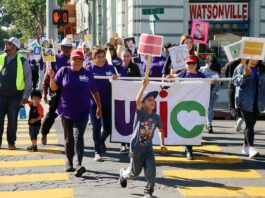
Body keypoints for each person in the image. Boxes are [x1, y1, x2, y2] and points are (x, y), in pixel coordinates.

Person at [49, 49, 102, 177]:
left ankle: (79, 164)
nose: (77, 62)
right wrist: (51, 77)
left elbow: (94, 91)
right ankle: (69, 161)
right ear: (70, 60)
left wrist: (99, 106)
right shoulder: (63, 71)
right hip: (66, 110)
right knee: (69, 139)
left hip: (83, 111)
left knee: (79, 137)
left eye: (80, 60)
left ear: (83, 61)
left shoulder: (88, 74)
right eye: (74, 59)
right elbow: (54, 87)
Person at [119, 78, 167, 198]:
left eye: (153, 100)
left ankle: (148, 192)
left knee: (151, 170)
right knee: (134, 173)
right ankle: (123, 174)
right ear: (144, 103)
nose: (152, 102)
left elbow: (161, 130)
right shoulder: (141, 113)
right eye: (149, 100)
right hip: (136, 149)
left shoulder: (156, 117)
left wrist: (162, 144)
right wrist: (143, 87)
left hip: (148, 149)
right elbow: (137, 100)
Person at [167, 55, 205, 160]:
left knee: (191, 126)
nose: (191, 65)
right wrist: (170, 78)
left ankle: (189, 147)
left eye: (193, 63)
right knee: (184, 126)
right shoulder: (182, 74)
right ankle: (187, 147)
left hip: (196, 106)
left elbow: (209, 86)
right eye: (189, 63)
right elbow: (172, 83)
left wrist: (213, 82)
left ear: (197, 64)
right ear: (185, 64)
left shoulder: (202, 76)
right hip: (182, 105)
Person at [0, 37, 32, 150]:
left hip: (15, 97)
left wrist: (25, 97)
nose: (6, 45)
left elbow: (28, 81)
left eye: (8, 44)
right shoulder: (0, 58)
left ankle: (11, 142)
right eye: (6, 43)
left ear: (14, 47)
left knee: (12, 120)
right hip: (1, 96)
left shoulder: (23, 61)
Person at [88, 47, 117, 161]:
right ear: (94, 59)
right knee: (96, 127)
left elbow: (118, 82)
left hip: (107, 103)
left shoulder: (111, 68)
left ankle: (100, 141)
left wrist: (116, 78)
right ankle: (97, 152)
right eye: (98, 57)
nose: (101, 59)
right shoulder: (89, 69)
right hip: (93, 104)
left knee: (108, 129)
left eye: (103, 56)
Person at [41, 37, 72, 145]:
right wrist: (44, 92)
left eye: (69, 47)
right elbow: (47, 76)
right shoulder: (54, 58)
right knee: (52, 114)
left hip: (69, 92)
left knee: (69, 116)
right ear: (61, 47)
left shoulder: (73, 59)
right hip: (56, 90)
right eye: (65, 47)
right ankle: (44, 133)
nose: (67, 49)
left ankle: (69, 139)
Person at [233, 59, 265, 158]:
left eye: (257, 57)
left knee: (250, 125)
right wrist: (244, 76)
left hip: (258, 102)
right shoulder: (241, 67)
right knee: (250, 125)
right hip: (245, 102)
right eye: (253, 57)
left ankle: (245, 146)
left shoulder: (262, 67)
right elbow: (236, 82)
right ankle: (251, 148)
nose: (255, 60)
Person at [115, 48, 141, 153]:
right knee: (121, 118)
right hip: (120, 97)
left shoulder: (135, 67)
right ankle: (123, 144)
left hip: (132, 97)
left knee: (132, 120)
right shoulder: (116, 68)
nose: (126, 58)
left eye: (128, 56)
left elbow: (138, 81)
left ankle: (131, 142)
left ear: (131, 57)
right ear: (121, 57)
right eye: (124, 56)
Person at [200, 55, 222, 133]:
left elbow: (199, 78)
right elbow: (221, 80)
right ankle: (209, 123)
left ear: (206, 61)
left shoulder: (203, 69)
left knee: (206, 107)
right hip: (215, 90)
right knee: (210, 107)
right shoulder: (218, 69)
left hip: (204, 90)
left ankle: (208, 123)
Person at [223, 59, 244, 132]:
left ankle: (237, 118)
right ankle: (240, 119)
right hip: (241, 86)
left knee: (231, 105)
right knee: (238, 104)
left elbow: (225, 74)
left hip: (231, 85)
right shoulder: (245, 63)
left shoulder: (230, 63)